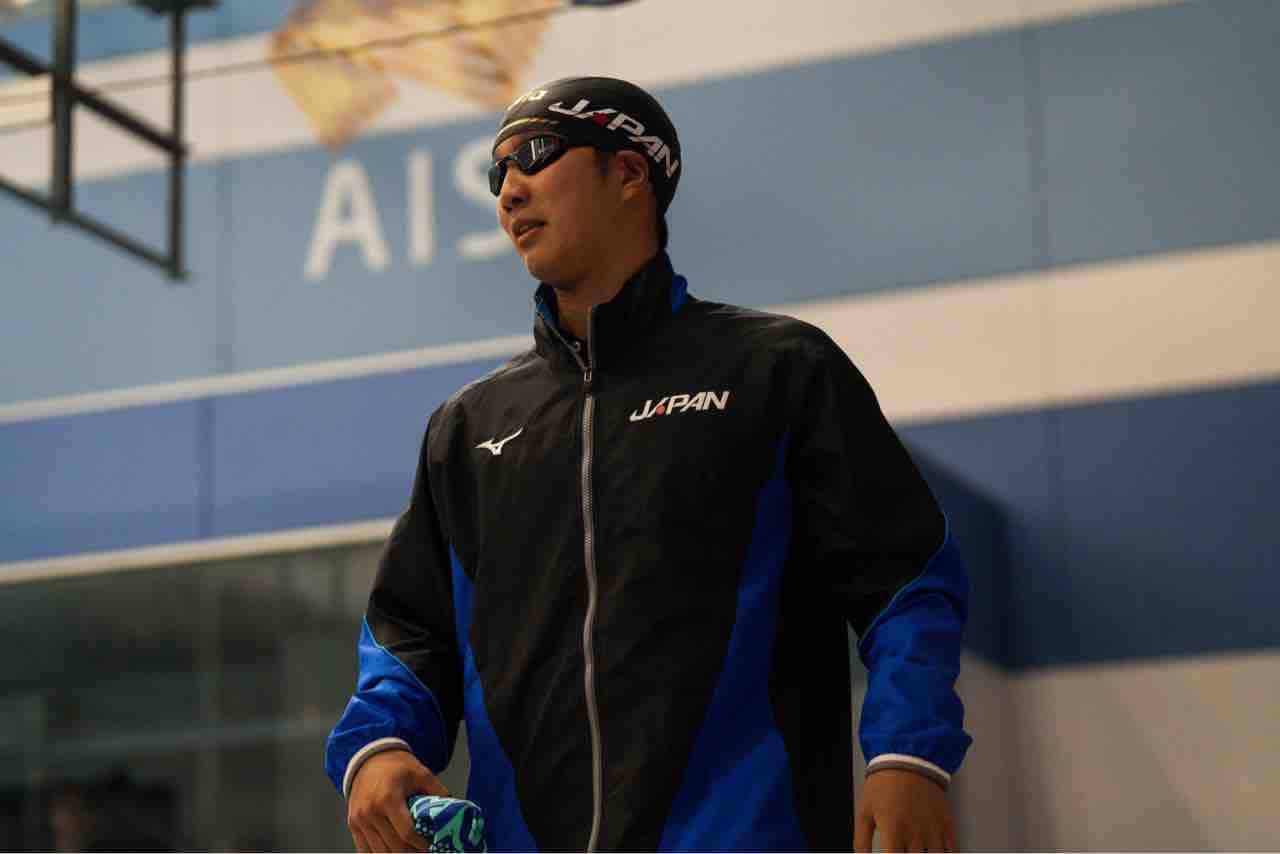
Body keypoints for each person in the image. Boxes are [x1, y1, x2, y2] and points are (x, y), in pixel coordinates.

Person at [326, 76, 971, 853]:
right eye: (497, 173)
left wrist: (908, 755)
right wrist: (381, 744)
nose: (508, 190)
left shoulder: (778, 371)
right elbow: (409, 632)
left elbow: (906, 584)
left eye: (535, 154)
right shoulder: (468, 430)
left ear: (630, 172)